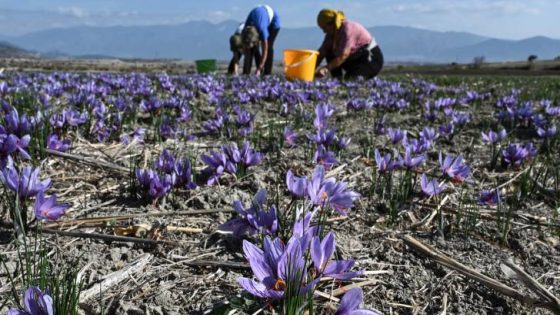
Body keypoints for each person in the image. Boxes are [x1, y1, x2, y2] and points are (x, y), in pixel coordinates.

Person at [315, 9, 383, 80]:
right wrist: (310, 69)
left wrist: (326, 68)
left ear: (331, 23)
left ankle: (370, 79)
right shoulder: (330, 35)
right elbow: (321, 53)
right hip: (355, 59)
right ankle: (337, 80)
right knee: (329, 52)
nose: (324, 31)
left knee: (351, 80)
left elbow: (344, 55)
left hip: (370, 59)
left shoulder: (348, 28)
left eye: (324, 28)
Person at [241, 5, 281, 75]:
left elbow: (265, 50)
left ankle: (267, 73)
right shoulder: (244, 30)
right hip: (260, 15)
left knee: (269, 46)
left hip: (274, 22)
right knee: (252, 49)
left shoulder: (262, 30)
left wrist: (259, 68)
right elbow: (246, 52)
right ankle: (246, 73)